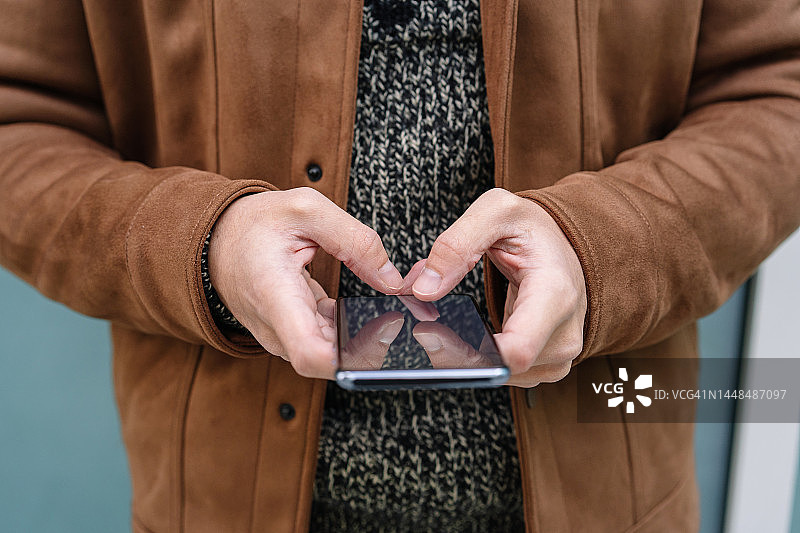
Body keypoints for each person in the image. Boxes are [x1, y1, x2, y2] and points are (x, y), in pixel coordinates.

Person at [1, 0, 798, 531]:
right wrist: (207, 244)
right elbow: (19, 121)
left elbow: (777, 85)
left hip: (612, 498)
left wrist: (603, 249)